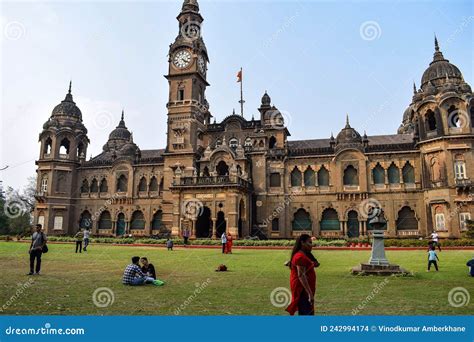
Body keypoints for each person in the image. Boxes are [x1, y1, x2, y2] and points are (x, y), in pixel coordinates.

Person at [286, 234, 316, 316]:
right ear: (302, 243)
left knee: (305, 312)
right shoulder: (300, 257)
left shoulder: (301, 255)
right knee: (307, 313)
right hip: (302, 290)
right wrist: (309, 293)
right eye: (309, 242)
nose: (311, 245)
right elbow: (301, 275)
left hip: (304, 289)